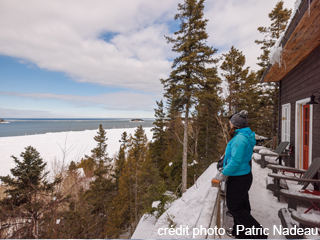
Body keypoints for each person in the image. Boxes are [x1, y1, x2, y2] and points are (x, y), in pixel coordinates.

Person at [213, 110, 267, 239]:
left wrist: (224, 174)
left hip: (238, 178)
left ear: (235, 125)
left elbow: (235, 161)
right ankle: (241, 232)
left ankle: (259, 233)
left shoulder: (239, 139)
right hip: (243, 176)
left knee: (234, 207)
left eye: (230, 123)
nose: (229, 125)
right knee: (242, 205)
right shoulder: (243, 136)